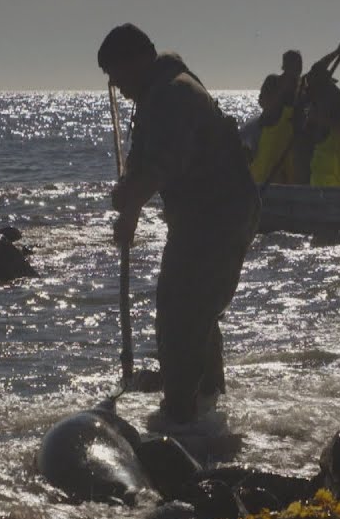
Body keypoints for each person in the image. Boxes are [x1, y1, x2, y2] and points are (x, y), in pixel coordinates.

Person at [98, 23, 260, 425]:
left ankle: (180, 416)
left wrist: (131, 196)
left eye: (117, 76)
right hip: (203, 217)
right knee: (196, 311)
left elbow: (163, 164)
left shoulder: (175, 94)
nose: (117, 88)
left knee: (180, 314)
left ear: (137, 61)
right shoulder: (157, 94)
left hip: (217, 217)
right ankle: (207, 401)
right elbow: (142, 161)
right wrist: (129, 214)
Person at [291, 42, 340, 185]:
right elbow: (320, 65)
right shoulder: (304, 96)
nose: (310, 83)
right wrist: (337, 52)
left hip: (325, 155)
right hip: (304, 150)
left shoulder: (334, 96)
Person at [244, 74, 295, 183]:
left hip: (284, 191)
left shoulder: (291, 120)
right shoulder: (251, 127)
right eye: (262, 92)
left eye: (268, 92)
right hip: (258, 191)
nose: (261, 96)